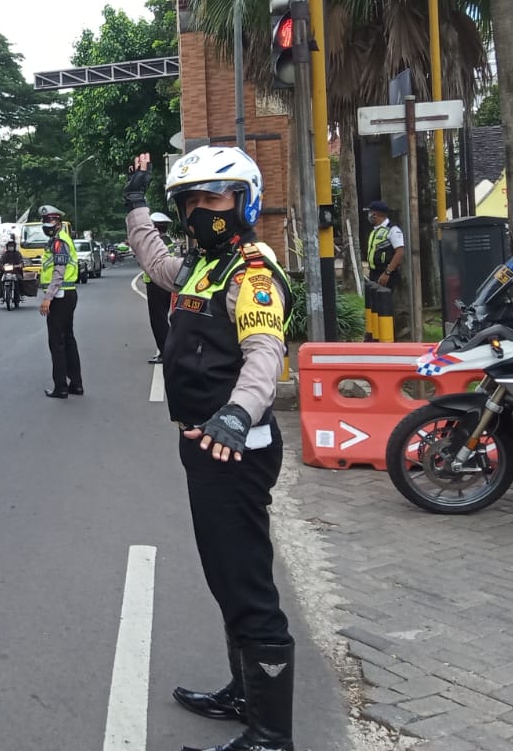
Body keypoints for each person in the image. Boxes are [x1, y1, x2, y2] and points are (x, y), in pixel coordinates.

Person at [124, 147, 295, 751]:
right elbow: (154, 260)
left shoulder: (251, 272)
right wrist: (136, 205)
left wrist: (234, 413)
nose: (200, 211)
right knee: (225, 576)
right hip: (205, 446)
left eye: (212, 198)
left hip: (235, 449)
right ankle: (245, 691)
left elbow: (264, 354)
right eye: (190, 201)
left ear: (243, 201)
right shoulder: (203, 268)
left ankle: (272, 738)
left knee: (246, 585)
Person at [38, 204, 82, 399]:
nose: (47, 224)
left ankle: (61, 387)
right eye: (45, 221)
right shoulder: (60, 240)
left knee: (57, 342)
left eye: (51, 221)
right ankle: (76, 384)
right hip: (67, 294)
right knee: (68, 339)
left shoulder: (59, 242)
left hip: (60, 296)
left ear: (59, 223)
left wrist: (47, 298)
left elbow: (59, 272)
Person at [144, 211, 174, 364]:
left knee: (158, 320)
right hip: (164, 283)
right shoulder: (167, 240)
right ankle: (167, 350)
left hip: (156, 284)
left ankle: (165, 352)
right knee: (162, 317)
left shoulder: (157, 243)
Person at [364, 200, 405, 289]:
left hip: (385, 273)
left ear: (375, 214)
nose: (368, 215)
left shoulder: (393, 230)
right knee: (374, 301)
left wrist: (387, 273)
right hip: (374, 272)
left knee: (383, 300)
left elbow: (400, 252)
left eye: (370, 213)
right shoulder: (375, 230)